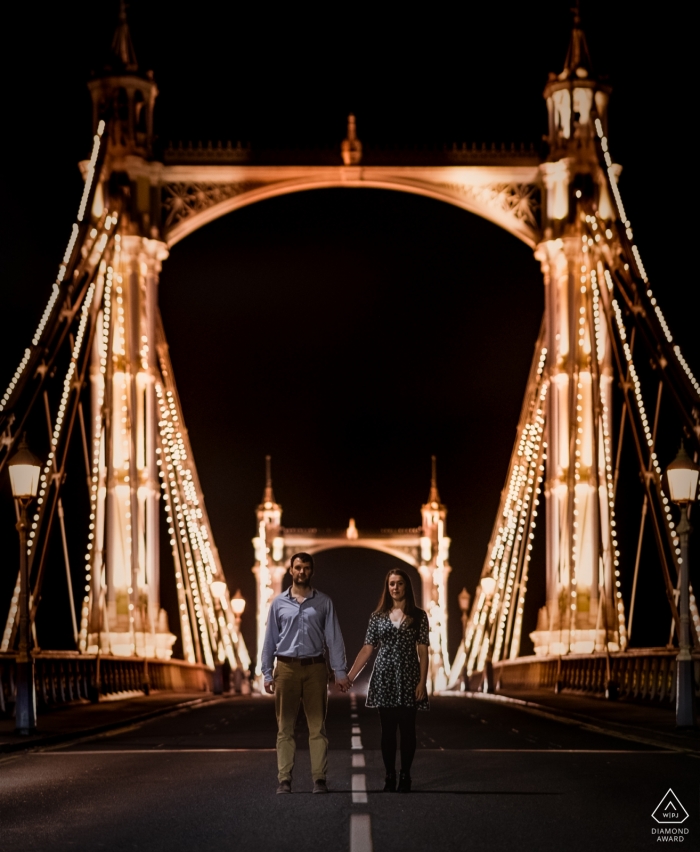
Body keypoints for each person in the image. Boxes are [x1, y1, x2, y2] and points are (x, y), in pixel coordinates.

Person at [261, 552, 350, 794]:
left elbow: (334, 637)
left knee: (317, 727)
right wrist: (267, 672)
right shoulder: (278, 603)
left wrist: (340, 672)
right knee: (285, 727)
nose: (302, 572)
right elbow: (270, 640)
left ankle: (319, 779)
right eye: (297, 567)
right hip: (286, 668)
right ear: (290, 570)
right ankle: (284, 780)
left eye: (306, 568)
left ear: (312, 571)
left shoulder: (324, 603)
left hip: (315, 669)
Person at [347, 568, 429, 793]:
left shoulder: (419, 616)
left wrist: (422, 682)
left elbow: (423, 651)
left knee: (408, 730)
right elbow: (367, 649)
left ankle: (406, 775)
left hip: (409, 677)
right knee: (388, 731)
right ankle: (390, 774)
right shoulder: (377, 616)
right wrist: (350, 677)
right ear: (387, 587)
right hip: (384, 677)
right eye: (391, 584)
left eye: (399, 583)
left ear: (406, 586)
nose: (395, 587)